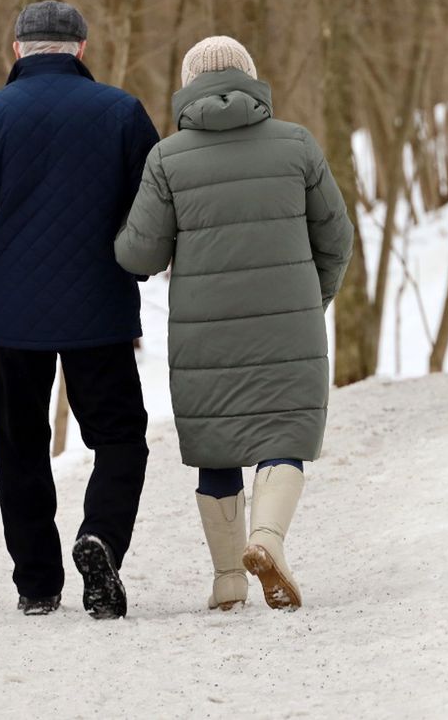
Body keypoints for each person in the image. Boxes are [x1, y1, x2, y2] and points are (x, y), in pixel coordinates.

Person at [0, 0, 160, 619]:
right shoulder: (122, 113)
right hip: (100, 309)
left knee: (20, 446)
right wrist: (143, 265)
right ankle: (101, 538)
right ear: (81, 48)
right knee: (119, 438)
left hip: (14, 319)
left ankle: (37, 584)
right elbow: (154, 212)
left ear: (17, 50)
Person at [115, 36, 354, 611]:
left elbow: (139, 256)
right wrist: (308, 302)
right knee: (282, 437)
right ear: (252, 78)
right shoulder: (296, 145)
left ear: (188, 85)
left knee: (216, 445)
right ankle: (267, 540)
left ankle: (228, 579)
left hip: (204, 331)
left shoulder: (167, 158)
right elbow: (337, 238)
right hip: (288, 328)